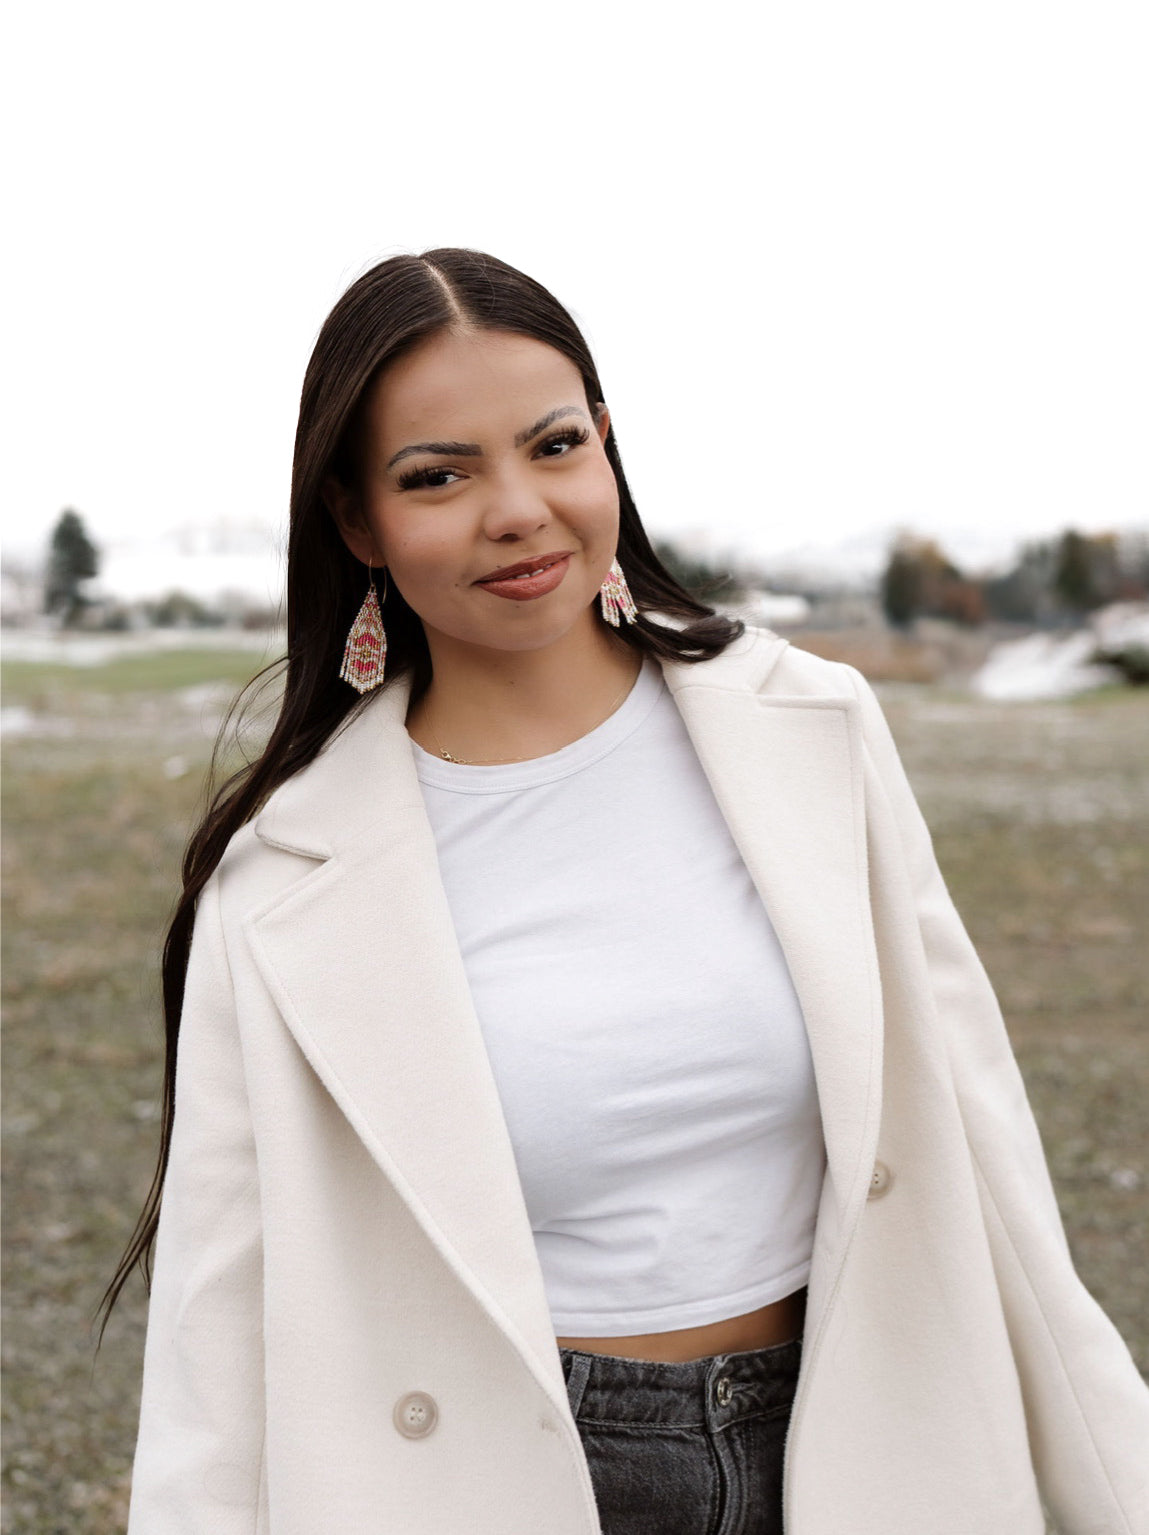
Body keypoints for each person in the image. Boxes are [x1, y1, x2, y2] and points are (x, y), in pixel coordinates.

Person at [110, 249, 1149, 1535]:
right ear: (355, 520)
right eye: (437, 474)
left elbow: (981, 1143)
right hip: (499, 1477)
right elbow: (222, 1322)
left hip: (873, 1437)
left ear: (608, 446)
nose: (516, 509)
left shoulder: (811, 728)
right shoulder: (284, 872)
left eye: (552, 445)